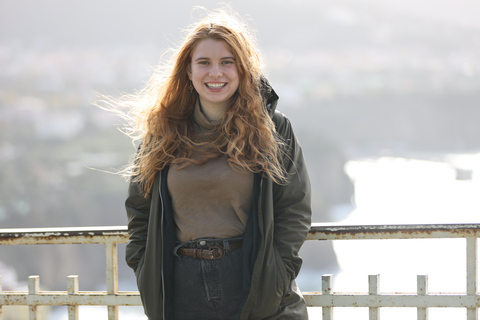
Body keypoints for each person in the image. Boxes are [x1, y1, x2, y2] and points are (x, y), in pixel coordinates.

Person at [123, 8, 312, 320]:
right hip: (181, 290)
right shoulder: (162, 135)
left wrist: (276, 276)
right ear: (188, 71)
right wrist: (144, 268)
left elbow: (294, 208)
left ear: (243, 69)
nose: (216, 73)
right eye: (204, 63)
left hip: (253, 285)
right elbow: (139, 210)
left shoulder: (273, 129)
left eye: (227, 62)